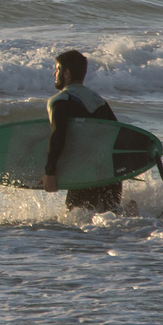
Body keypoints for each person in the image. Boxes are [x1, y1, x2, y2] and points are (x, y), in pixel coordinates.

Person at [40, 49, 122, 213]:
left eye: (57, 69)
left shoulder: (60, 101)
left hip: (84, 173)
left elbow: (58, 135)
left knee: (77, 227)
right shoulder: (99, 100)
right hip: (109, 174)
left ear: (67, 73)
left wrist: (50, 171)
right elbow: (116, 134)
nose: (54, 73)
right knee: (112, 220)